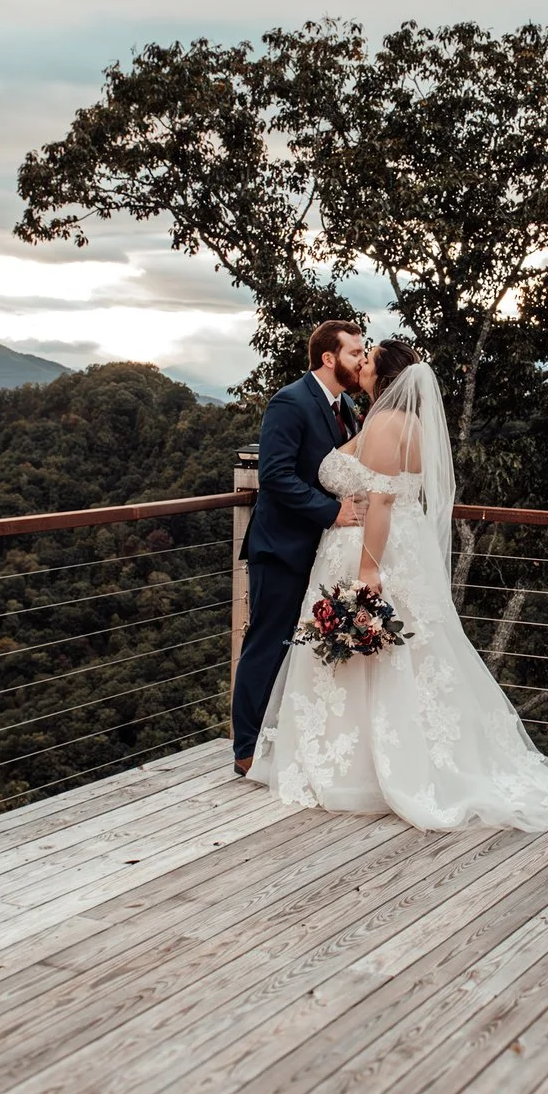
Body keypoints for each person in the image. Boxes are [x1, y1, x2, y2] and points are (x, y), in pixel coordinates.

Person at [247, 337, 548, 830]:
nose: (362, 363)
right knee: (403, 656)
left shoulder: (386, 424)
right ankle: (376, 758)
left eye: (368, 359)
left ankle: (362, 768)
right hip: (392, 547)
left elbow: (382, 501)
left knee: (378, 656)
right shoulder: (394, 421)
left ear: (384, 375)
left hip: (372, 549)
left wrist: (369, 570)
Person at [231, 320, 369, 777]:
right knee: (268, 644)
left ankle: (284, 740)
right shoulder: (290, 401)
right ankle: (246, 749)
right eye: (354, 353)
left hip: (324, 551)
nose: (361, 360)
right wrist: (331, 513)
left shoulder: (347, 406)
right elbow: (275, 475)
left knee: (304, 647)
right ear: (329, 358)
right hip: (282, 547)